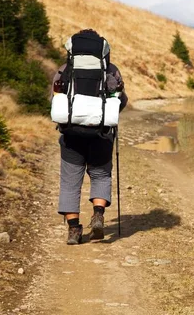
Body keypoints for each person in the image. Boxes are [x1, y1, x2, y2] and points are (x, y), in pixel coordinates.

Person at [52, 29, 128, 245]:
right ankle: (98, 215)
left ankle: (74, 230)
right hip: (101, 134)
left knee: (69, 183)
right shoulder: (110, 71)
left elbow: (55, 100)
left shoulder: (65, 69)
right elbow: (121, 101)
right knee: (101, 176)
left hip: (71, 135)